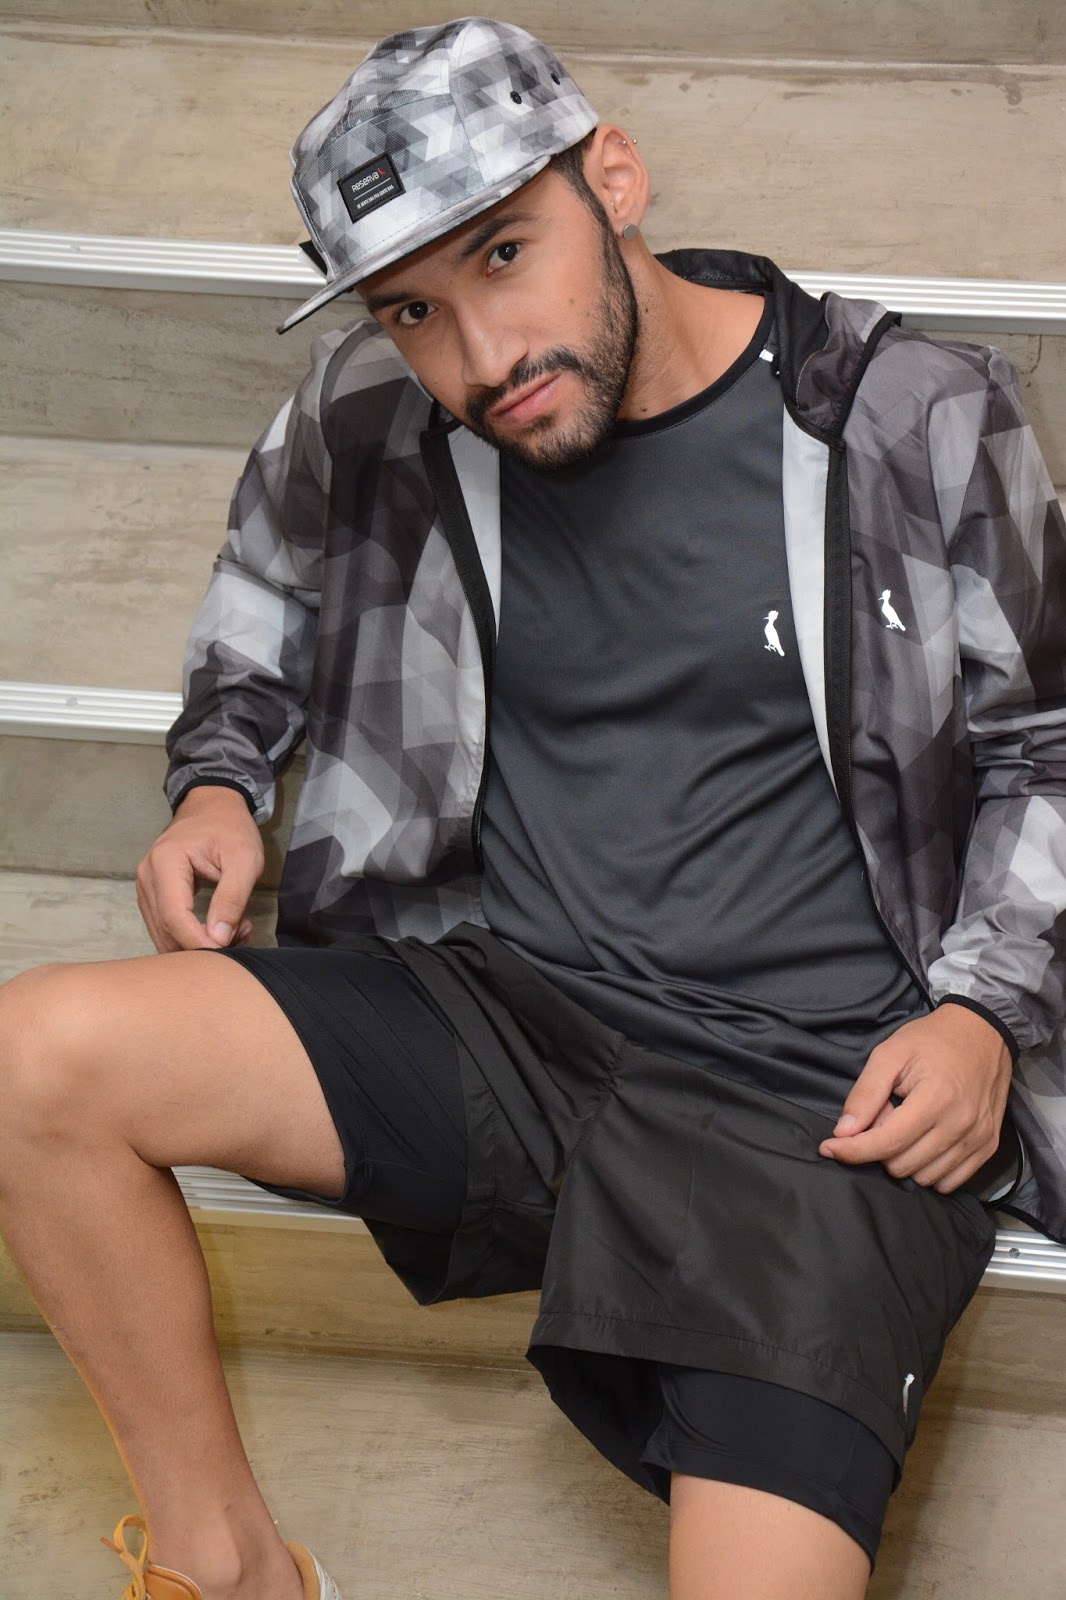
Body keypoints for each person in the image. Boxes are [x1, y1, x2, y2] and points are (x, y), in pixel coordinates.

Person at [2, 16, 1064, 1600]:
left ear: (612, 180)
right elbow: (262, 593)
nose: (481, 354)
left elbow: (1045, 742)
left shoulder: (906, 412)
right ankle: (228, 1569)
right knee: (33, 1060)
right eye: (413, 308)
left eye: (505, 255)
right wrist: (219, 779)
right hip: (507, 1013)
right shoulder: (373, 417)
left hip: (814, 1102)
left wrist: (981, 1014)